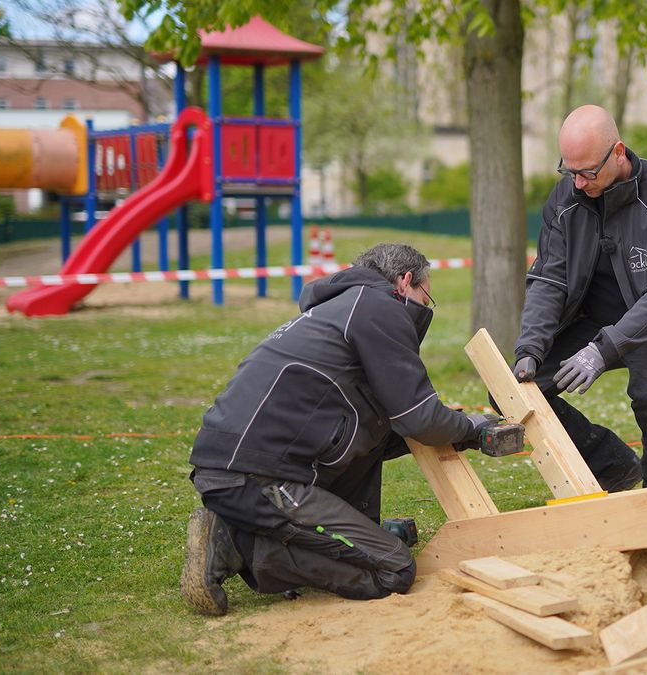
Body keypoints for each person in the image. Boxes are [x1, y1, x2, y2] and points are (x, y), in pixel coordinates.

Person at [180, 243, 499, 616]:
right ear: (405, 280)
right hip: (257, 477)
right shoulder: (380, 308)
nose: (425, 307)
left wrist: (459, 432)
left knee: (375, 507)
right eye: (425, 295)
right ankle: (239, 544)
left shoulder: (340, 309)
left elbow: (386, 428)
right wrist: (472, 428)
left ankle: (262, 534)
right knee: (393, 569)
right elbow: (419, 418)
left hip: (240, 466)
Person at [512, 104, 647, 491]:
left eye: (588, 172)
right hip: (590, 322)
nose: (578, 183)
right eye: (569, 171)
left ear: (618, 152)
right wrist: (531, 347)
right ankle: (611, 463)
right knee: (512, 393)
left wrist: (603, 350)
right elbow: (549, 279)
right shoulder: (564, 200)